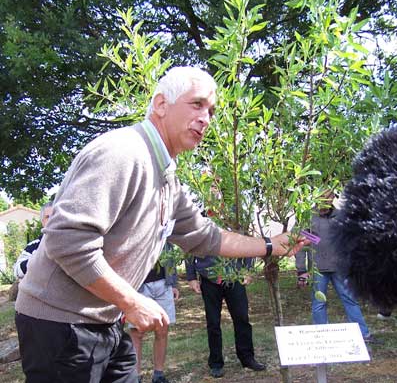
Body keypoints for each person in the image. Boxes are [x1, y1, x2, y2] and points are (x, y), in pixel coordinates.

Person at [15, 66, 308, 382]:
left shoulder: (166, 175)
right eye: (197, 104)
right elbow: (67, 241)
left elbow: (204, 236)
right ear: (161, 105)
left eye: (210, 111)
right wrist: (131, 301)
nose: (206, 119)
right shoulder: (124, 153)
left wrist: (270, 246)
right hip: (62, 327)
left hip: (105, 321)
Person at [295, 190, 376, 343]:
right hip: (317, 269)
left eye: (328, 197)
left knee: (350, 299)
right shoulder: (307, 217)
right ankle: (322, 336)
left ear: (332, 198)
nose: (325, 200)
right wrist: (302, 270)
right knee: (319, 303)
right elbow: (300, 244)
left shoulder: (341, 216)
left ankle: (363, 334)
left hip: (340, 268)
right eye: (322, 197)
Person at [186, 255, 265, 378]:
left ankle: (247, 358)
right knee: (213, 322)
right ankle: (216, 363)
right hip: (209, 277)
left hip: (235, 276)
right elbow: (190, 249)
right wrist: (191, 277)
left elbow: (248, 245)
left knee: (242, 318)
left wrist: (248, 270)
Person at [129, 243, 179, 383]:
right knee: (137, 332)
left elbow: (170, 252)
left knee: (162, 329)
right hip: (139, 286)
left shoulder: (163, 228)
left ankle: (158, 374)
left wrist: (173, 284)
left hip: (164, 284)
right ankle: (135, 377)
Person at [13, 202, 53, 280]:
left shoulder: (71, 243)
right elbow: (17, 271)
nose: (51, 220)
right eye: (47, 217)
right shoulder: (33, 246)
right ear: (42, 222)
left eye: (54, 216)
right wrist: (39, 258)